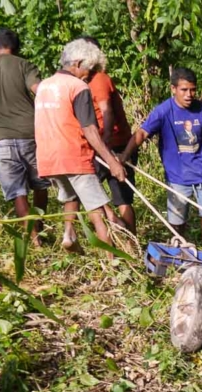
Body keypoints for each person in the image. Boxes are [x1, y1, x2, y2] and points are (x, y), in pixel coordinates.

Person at [120, 67, 202, 252]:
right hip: (177, 176)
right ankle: (180, 250)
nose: (189, 95)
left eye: (192, 90)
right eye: (184, 90)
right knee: (178, 220)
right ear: (173, 89)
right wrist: (124, 156)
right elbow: (142, 133)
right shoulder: (163, 111)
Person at [34, 39, 126, 253]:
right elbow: (90, 130)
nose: (91, 75)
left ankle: (68, 234)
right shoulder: (78, 86)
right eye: (90, 69)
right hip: (74, 157)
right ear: (77, 63)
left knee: (71, 196)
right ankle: (112, 262)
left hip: (48, 159)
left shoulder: (45, 85)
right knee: (97, 212)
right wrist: (112, 161)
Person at [0, 28, 49, 245]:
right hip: (31, 135)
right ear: (16, 47)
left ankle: (34, 239)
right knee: (41, 184)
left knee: (17, 192)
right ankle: (40, 226)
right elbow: (40, 90)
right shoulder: (24, 65)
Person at [80, 36, 137, 235]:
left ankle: (130, 243)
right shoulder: (84, 82)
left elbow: (107, 111)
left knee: (121, 198)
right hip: (103, 146)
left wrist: (103, 145)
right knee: (93, 194)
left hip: (113, 147)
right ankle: (116, 233)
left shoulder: (99, 79)